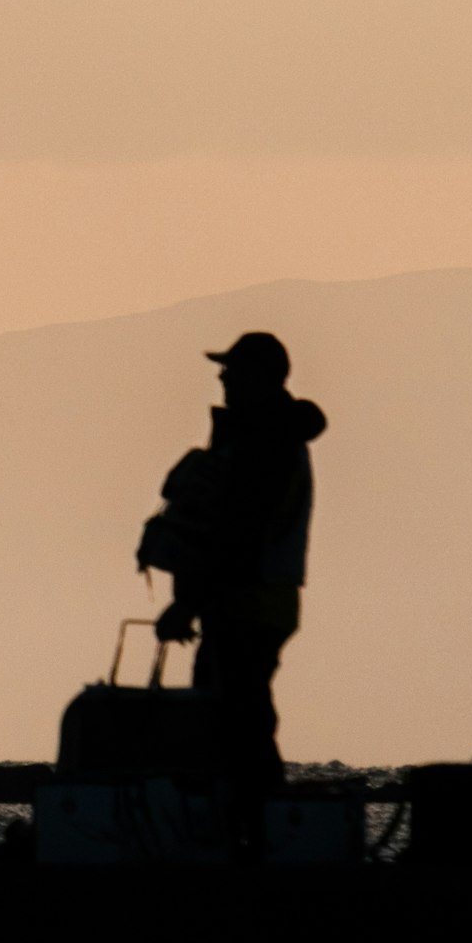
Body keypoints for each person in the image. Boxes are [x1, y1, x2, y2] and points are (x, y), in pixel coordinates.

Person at [141, 330, 325, 798]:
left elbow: (236, 537)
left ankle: (255, 830)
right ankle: (250, 826)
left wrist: (188, 604)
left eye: (232, 369)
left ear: (260, 377)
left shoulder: (263, 446)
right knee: (237, 716)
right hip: (255, 601)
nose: (222, 377)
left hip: (248, 601)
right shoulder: (263, 438)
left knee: (236, 719)